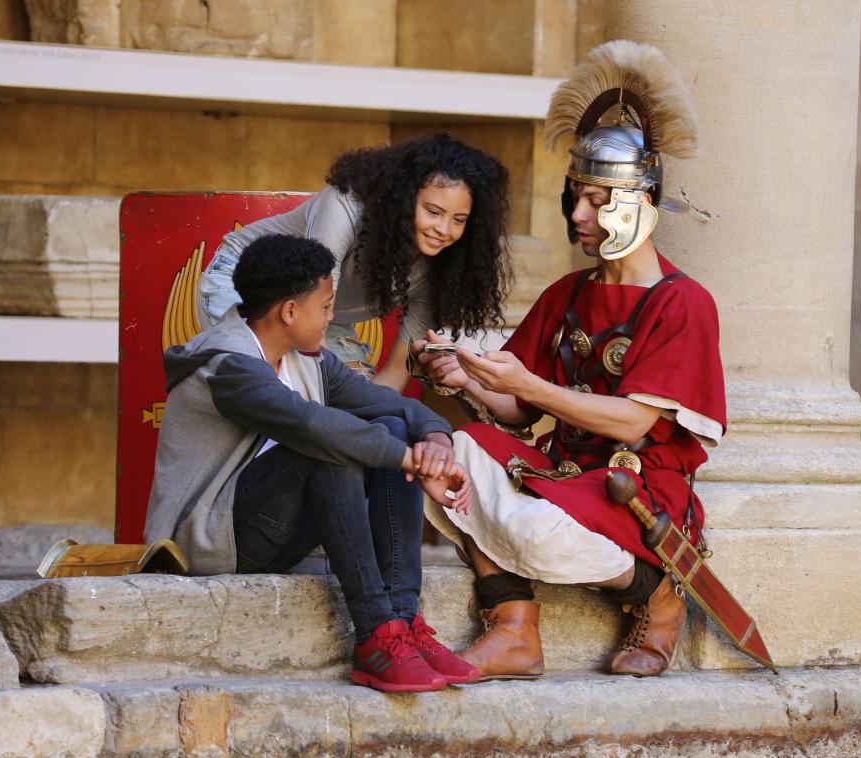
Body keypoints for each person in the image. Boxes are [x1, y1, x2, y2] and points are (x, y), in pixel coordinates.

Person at [413, 40, 726, 680]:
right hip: (559, 468)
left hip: (631, 486)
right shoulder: (567, 293)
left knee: (533, 528)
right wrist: (467, 375)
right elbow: (519, 404)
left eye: (596, 200)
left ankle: (654, 594)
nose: (578, 215)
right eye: (575, 196)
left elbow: (634, 424)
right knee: (447, 457)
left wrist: (527, 384)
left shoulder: (684, 302)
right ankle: (513, 626)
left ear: (640, 202)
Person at [145, 233, 480, 693]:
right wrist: (413, 463)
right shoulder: (228, 365)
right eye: (325, 306)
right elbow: (311, 425)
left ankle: (402, 621)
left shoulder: (308, 361)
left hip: (268, 527)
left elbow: (388, 403)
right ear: (289, 311)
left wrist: (436, 443)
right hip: (210, 540)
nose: (331, 317)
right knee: (332, 448)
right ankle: (376, 635)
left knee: (392, 426)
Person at [197, 131, 512, 392]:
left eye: (459, 220)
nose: (444, 230)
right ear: (403, 199)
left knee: (355, 401)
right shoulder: (345, 207)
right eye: (432, 211)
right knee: (283, 389)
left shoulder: (440, 269)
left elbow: (392, 380)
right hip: (244, 284)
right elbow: (308, 328)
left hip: (323, 314)